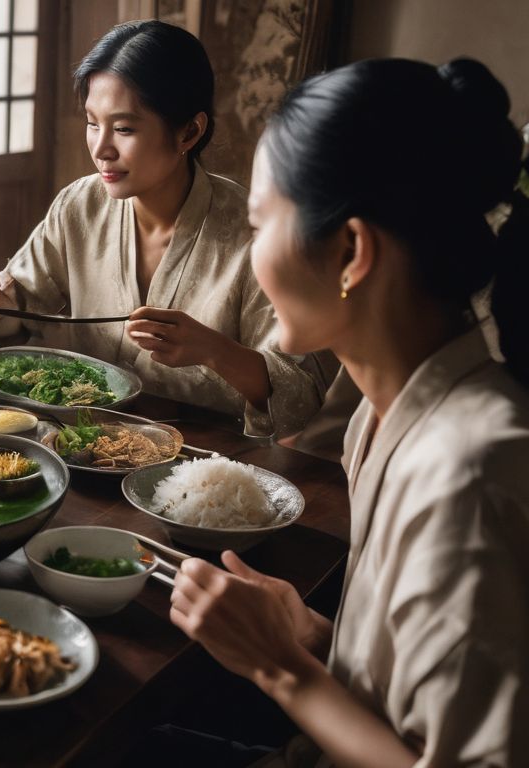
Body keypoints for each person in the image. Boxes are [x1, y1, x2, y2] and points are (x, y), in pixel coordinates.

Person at [170, 58, 528, 766]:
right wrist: (317, 638)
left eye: (260, 222)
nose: (252, 251)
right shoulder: (378, 415)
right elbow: (412, 693)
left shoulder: (472, 470)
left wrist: (279, 666)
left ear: (351, 251)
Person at [0, 20, 330, 436]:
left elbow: (301, 395)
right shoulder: (80, 204)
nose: (101, 149)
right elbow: (18, 313)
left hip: (206, 461)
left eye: (124, 128)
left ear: (189, 131)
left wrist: (213, 350)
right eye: (92, 123)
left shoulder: (254, 233)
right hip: (81, 442)